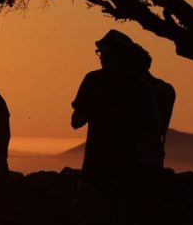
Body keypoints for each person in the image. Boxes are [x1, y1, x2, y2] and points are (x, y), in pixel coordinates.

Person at [71, 30, 173, 177]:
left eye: (103, 54)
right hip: (140, 175)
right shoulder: (158, 89)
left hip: (99, 173)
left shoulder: (95, 80)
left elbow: (77, 122)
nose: (100, 59)